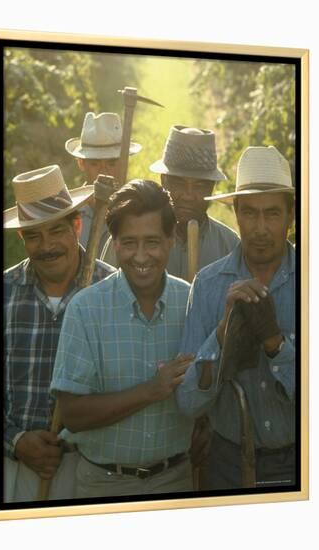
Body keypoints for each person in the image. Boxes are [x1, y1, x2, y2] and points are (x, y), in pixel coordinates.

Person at [50, 180, 195, 498]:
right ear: (113, 243)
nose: (141, 256)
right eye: (129, 242)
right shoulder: (86, 310)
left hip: (176, 481)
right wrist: (152, 390)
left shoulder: (192, 303)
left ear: (171, 240)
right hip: (102, 485)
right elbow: (72, 416)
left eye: (152, 242)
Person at [177, 146, 296, 490]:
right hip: (228, 463)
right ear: (236, 215)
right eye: (250, 213)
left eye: (272, 214)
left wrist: (275, 343)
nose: (260, 228)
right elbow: (188, 402)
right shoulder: (209, 286)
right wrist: (222, 331)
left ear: (291, 216)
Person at [3, 164, 114, 503]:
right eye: (34, 235)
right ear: (22, 238)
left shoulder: (110, 291)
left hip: (91, 466)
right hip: (13, 467)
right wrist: (15, 440)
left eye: (56, 231)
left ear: (76, 226)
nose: (47, 246)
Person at [101, 125, 239, 280]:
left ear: (212, 188)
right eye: (179, 183)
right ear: (163, 181)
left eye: (200, 186)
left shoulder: (229, 246)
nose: (188, 195)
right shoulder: (127, 239)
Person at [66, 111, 141, 257]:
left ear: (123, 163)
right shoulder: (68, 213)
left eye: (111, 163)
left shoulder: (138, 209)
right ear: (81, 163)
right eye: (95, 164)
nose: (104, 171)